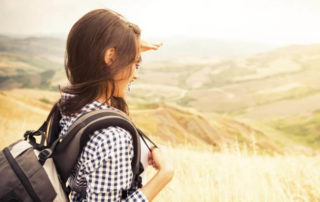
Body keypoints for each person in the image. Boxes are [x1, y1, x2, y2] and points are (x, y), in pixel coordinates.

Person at [57, 8, 174, 201]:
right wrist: (164, 175)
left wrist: (128, 49)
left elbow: (86, 41)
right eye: (134, 63)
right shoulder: (111, 137)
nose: (135, 75)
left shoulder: (70, 106)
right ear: (110, 57)